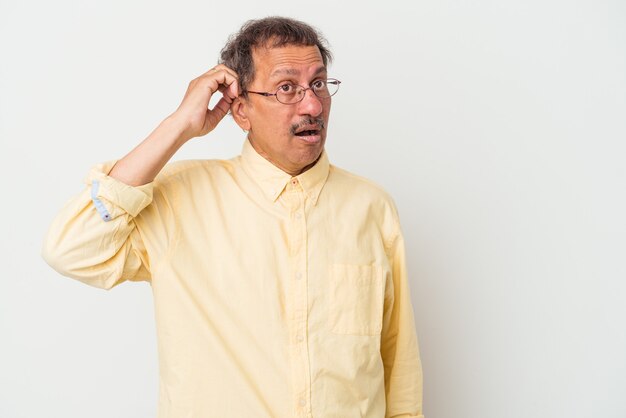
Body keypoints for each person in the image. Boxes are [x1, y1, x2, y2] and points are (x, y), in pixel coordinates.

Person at [42, 16, 424, 418]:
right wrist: (178, 126)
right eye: (286, 88)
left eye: (317, 84)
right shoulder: (177, 198)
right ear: (241, 111)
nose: (312, 105)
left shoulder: (372, 206)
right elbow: (70, 249)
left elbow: (399, 365)